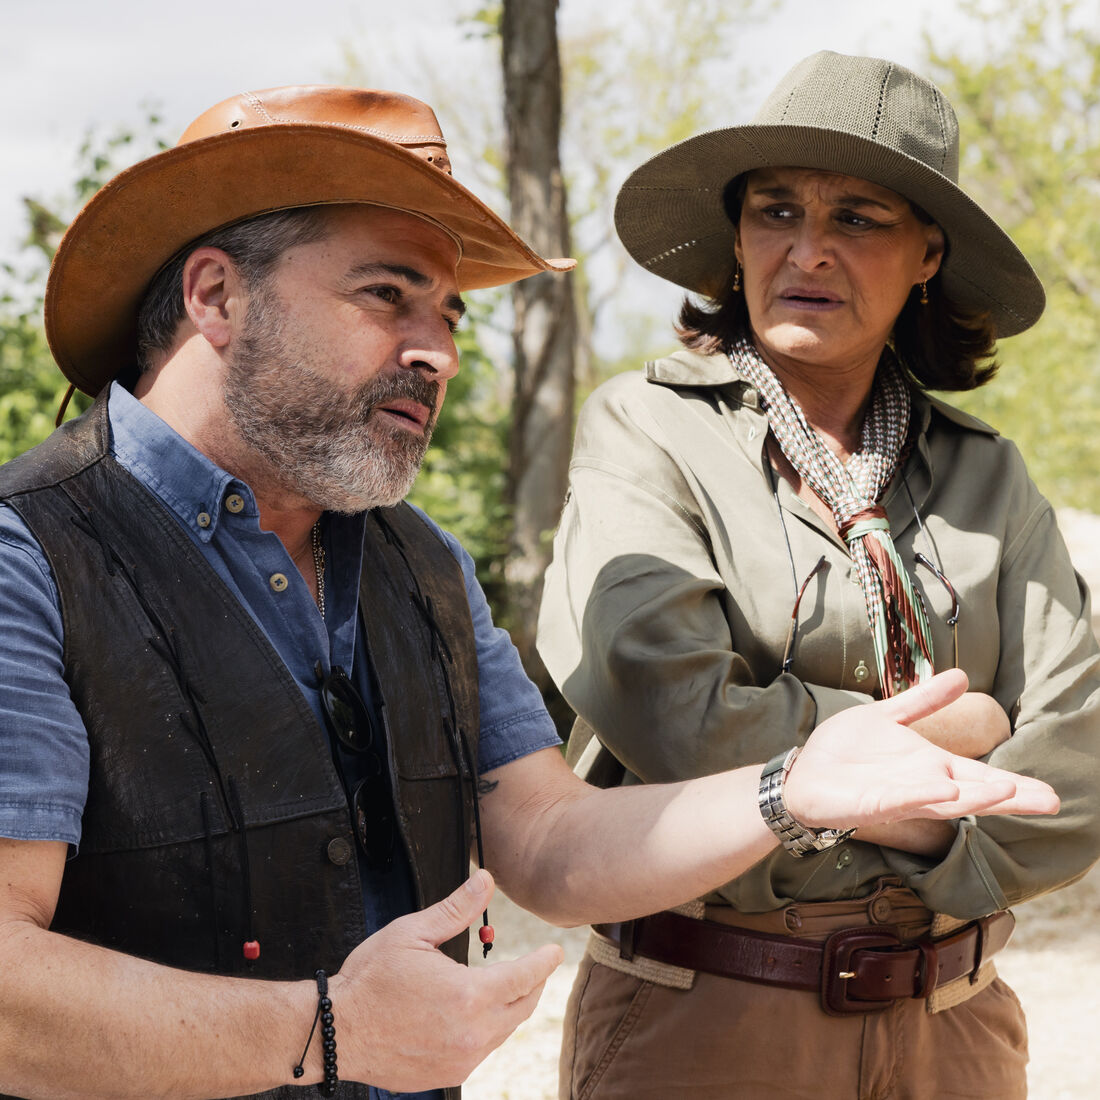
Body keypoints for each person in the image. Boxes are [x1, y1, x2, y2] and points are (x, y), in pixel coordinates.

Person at [0, 83, 1058, 1100]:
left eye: (448, 312)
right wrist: (322, 1031)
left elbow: (549, 846)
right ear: (215, 295)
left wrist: (794, 786)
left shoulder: (423, 568)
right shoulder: (27, 554)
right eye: (386, 294)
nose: (440, 352)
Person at [537, 51, 1100, 1100]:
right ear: (736, 234)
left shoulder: (986, 474)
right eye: (773, 210)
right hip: (706, 1019)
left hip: (953, 1028)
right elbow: (663, 702)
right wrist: (956, 734)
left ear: (927, 251)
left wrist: (901, 811)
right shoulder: (646, 427)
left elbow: (1076, 761)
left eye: (856, 218)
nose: (805, 250)